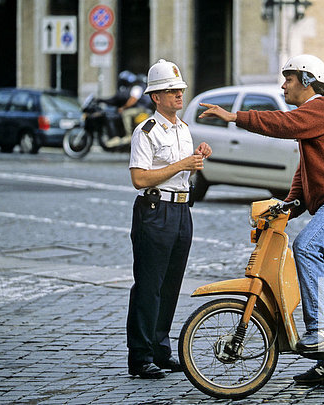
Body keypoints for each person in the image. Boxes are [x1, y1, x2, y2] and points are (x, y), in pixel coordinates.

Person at [199, 54, 324, 385]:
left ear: (307, 81)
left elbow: (282, 124)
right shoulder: (314, 118)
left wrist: (234, 116)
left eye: (289, 79)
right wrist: (286, 206)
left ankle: (320, 330)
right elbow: (305, 172)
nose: (284, 85)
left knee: (307, 247)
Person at [126, 59, 212, 379]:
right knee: (149, 286)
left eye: (180, 89)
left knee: (171, 284)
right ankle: (140, 355)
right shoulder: (145, 131)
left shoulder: (184, 129)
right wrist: (182, 164)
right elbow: (139, 178)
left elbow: (183, 168)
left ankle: (160, 349)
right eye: (170, 90)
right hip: (154, 210)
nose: (178, 94)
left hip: (180, 211)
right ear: (156, 97)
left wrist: (197, 157)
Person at [105, 72, 149, 148]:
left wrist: (123, 108)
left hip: (140, 109)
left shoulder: (137, 88)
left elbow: (133, 99)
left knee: (125, 113)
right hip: (144, 109)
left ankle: (128, 135)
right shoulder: (145, 87)